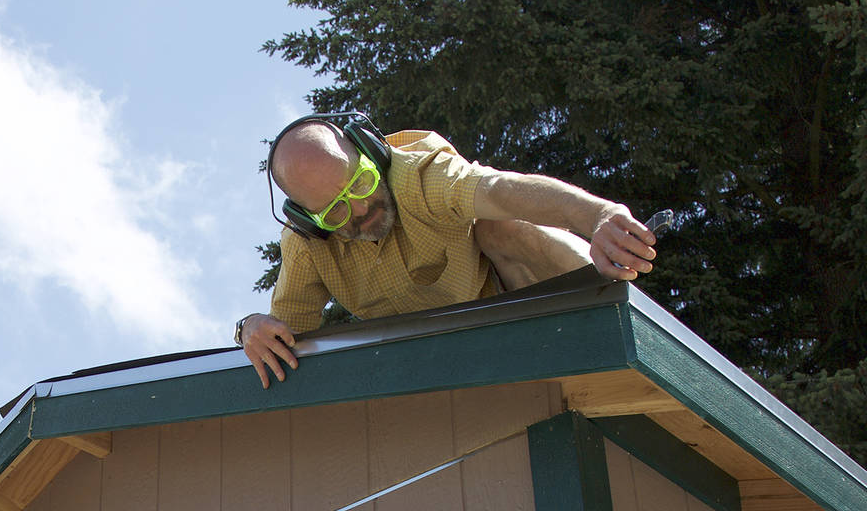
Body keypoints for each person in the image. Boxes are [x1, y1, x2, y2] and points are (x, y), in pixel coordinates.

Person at [237, 113, 660, 387]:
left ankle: (625, 316)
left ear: (371, 151)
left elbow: (501, 189)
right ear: (309, 219)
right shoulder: (307, 246)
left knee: (500, 226)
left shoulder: (418, 174)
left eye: (361, 183)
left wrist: (598, 215)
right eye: (335, 211)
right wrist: (249, 327)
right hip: (439, 368)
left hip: (521, 302)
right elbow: (281, 338)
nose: (361, 209)